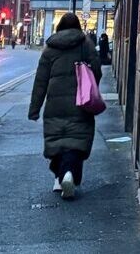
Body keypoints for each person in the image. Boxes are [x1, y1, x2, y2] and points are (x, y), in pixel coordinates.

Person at [28, 12, 102, 200]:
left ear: (59, 27)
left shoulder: (50, 48)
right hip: (80, 102)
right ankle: (68, 174)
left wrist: (34, 109)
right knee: (75, 141)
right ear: (77, 26)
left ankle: (59, 176)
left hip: (55, 105)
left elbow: (40, 81)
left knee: (58, 140)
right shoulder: (85, 44)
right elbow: (97, 71)